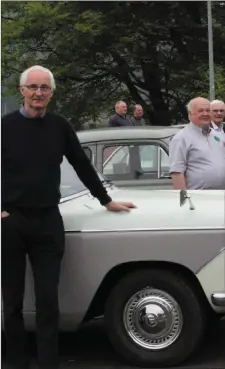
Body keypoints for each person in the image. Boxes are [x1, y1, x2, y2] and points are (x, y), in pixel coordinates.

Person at [1, 65, 136, 369]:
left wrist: (106, 200)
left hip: (48, 221)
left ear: (51, 93)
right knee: (12, 301)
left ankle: (49, 361)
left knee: (48, 300)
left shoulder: (60, 127)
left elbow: (82, 165)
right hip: (11, 222)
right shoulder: (5, 126)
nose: (38, 93)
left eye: (44, 88)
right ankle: (16, 360)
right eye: (33, 87)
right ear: (22, 91)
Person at [169, 97, 225, 190]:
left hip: (220, 196)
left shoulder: (218, 136)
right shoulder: (181, 138)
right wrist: (184, 200)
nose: (205, 114)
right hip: (198, 197)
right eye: (200, 111)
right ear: (190, 114)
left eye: (208, 110)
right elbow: (177, 172)